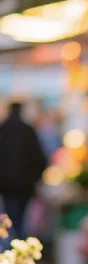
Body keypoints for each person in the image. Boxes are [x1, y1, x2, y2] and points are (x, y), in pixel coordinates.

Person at [0, 101, 47, 239]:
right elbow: (40, 159)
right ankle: (18, 246)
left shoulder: (3, 130)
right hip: (24, 186)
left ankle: (15, 245)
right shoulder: (28, 130)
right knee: (20, 218)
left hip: (6, 185)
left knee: (11, 217)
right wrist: (34, 179)